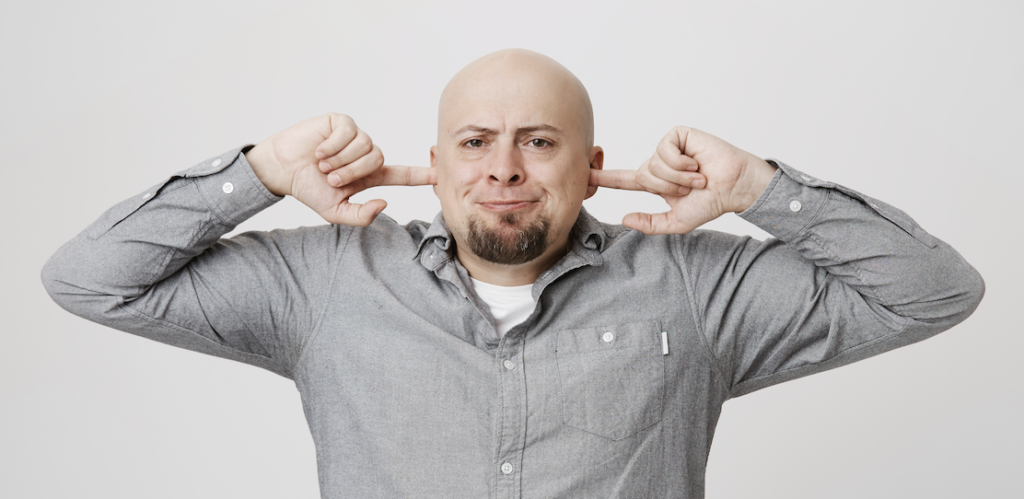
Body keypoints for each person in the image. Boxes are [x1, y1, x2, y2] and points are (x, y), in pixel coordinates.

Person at [42, 49, 984, 498]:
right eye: (475, 143)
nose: (502, 171)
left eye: (539, 143)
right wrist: (255, 173)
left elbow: (935, 290)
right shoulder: (329, 280)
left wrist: (758, 188)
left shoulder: (691, 284)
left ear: (590, 163)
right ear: (437, 162)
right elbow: (92, 278)